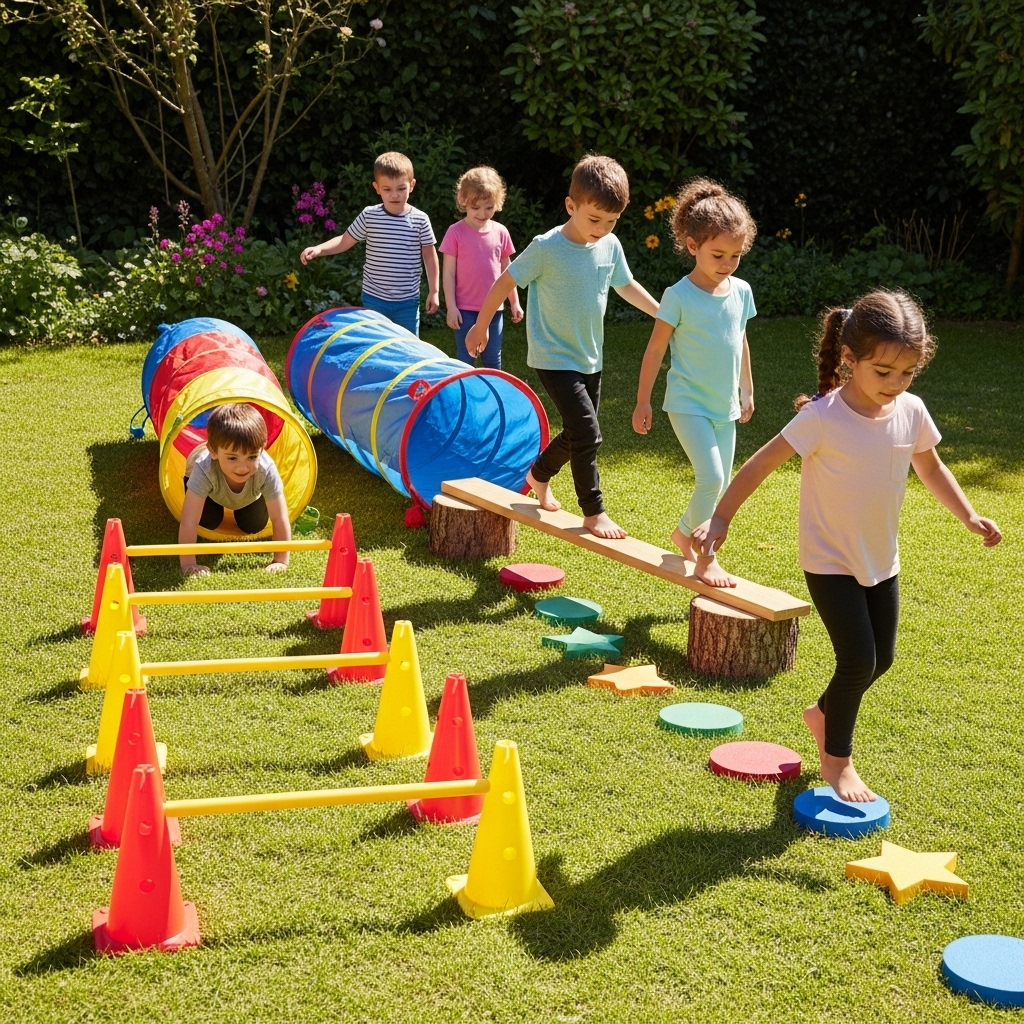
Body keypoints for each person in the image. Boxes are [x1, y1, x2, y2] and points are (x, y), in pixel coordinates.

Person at [692, 290, 1002, 802]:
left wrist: (968, 515)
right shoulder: (823, 418)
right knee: (858, 660)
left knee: (882, 660)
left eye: (907, 373)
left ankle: (822, 713)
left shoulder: (911, 411)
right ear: (849, 359)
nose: (895, 383)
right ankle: (837, 761)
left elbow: (930, 467)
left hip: (881, 558)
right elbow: (761, 463)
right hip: (829, 560)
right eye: (883, 371)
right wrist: (721, 516)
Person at [465, 154, 659, 539]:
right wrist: (481, 325)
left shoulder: (609, 245)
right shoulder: (547, 248)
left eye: (611, 221)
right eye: (594, 219)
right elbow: (505, 282)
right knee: (588, 433)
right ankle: (594, 511)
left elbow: (625, 285)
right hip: (553, 357)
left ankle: (538, 475)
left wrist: (661, 313)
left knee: (576, 432)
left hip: (591, 356)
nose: (602, 229)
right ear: (571, 205)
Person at [632, 178, 758, 586]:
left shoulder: (741, 291)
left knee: (720, 487)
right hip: (687, 403)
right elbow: (655, 350)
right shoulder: (678, 296)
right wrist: (643, 401)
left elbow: (740, 340)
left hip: (724, 406)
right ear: (692, 246)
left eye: (735, 255)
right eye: (718, 254)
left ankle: (685, 534)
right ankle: (707, 558)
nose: (727, 263)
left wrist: (746, 390)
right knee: (712, 478)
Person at [299, 151, 438, 336]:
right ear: (377, 188)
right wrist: (319, 249)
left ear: (412, 185)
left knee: (407, 345)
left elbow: (430, 256)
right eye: (387, 189)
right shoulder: (369, 216)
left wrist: (434, 291)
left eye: (401, 188)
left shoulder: (420, 220)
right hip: (374, 299)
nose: (394, 195)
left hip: (407, 302)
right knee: (377, 343)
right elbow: (344, 240)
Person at [179, 404, 292, 577]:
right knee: (208, 520)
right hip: (210, 492)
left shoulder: (265, 469)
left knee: (253, 524)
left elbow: (280, 517)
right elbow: (189, 521)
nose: (242, 467)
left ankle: (242, 504)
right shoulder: (203, 468)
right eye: (232, 458)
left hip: (248, 495)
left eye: (252, 456)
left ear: (262, 449)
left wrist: (281, 561)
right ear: (213, 452)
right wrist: (189, 564)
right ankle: (215, 505)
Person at [440, 166, 524, 368]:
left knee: (492, 360)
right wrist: (451, 307)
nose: (482, 213)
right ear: (463, 200)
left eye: (488, 207)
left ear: (498, 203)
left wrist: (514, 302)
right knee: (465, 360)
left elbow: (507, 272)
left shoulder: (501, 232)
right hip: (464, 310)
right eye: (475, 207)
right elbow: (448, 273)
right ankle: (464, 388)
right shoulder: (455, 233)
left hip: (494, 309)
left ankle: (492, 389)